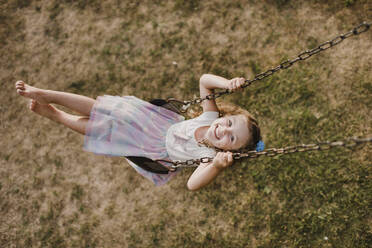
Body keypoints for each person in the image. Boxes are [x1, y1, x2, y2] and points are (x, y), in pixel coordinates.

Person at [15, 74, 262, 190]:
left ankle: (58, 115)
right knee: (102, 108)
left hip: (150, 149)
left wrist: (218, 166)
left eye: (231, 138)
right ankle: (46, 94)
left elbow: (192, 184)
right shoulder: (210, 116)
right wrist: (227, 84)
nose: (224, 130)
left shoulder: (209, 158)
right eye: (229, 123)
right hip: (154, 122)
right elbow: (204, 80)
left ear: (229, 151)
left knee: (101, 128)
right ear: (225, 116)